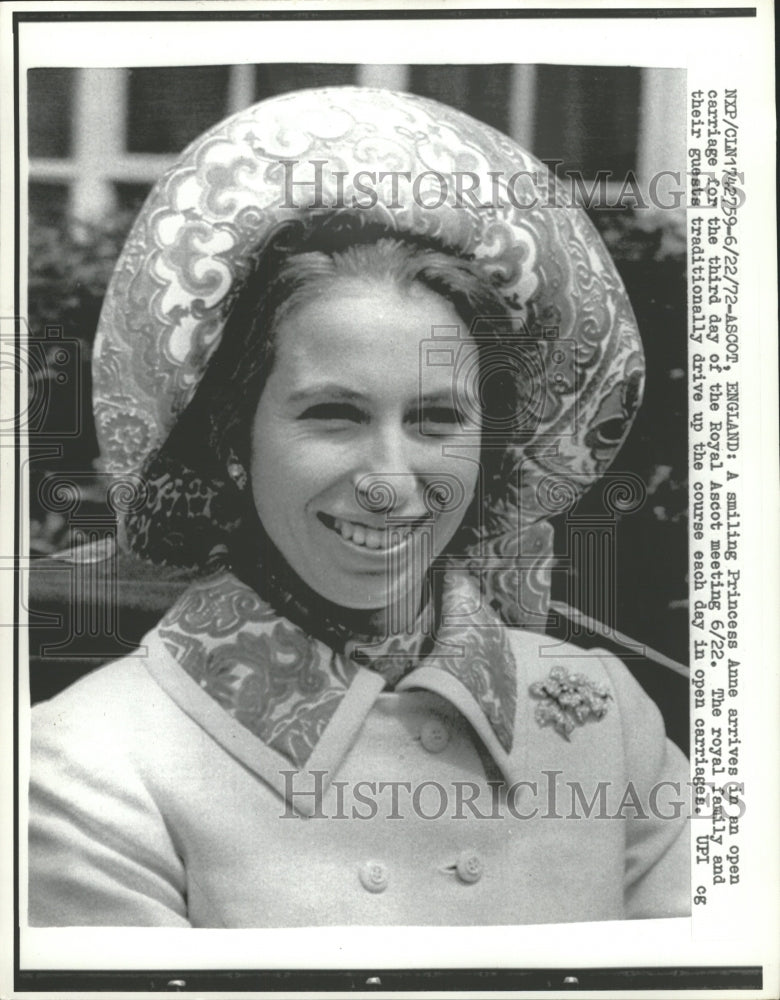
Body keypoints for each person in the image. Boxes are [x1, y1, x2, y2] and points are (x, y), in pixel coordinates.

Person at [28, 86, 689, 927]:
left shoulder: (606, 720)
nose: (389, 478)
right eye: (333, 415)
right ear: (234, 441)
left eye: (436, 418)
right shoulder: (88, 764)